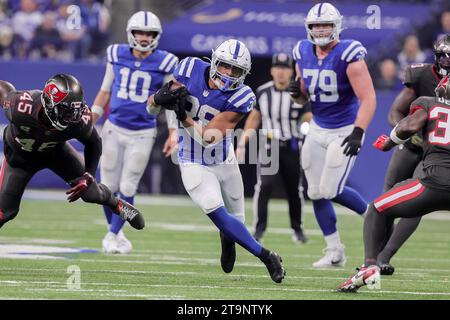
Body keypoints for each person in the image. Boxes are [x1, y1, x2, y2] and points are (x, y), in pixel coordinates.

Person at [147, 39, 286, 283]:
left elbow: (209, 137)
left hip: (223, 159)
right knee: (215, 209)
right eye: (224, 66)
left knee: (236, 223)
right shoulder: (189, 69)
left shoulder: (242, 96)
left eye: (236, 70)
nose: (229, 74)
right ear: (214, 62)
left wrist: (184, 118)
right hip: (192, 161)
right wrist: (158, 99)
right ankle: (267, 256)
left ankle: (228, 238)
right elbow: (151, 109)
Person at [338, 75, 450, 293]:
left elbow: (409, 126)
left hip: (433, 182)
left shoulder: (428, 102)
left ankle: (369, 266)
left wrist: (390, 142)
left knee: (377, 208)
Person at [289, 2, 376, 267]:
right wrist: (297, 94)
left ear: (336, 25)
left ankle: (377, 216)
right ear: (309, 27)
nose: (321, 29)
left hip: (344, 129)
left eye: (325, 24)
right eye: (316, 25)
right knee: (315, 192)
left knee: (331, 189)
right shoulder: (302, 51)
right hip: (317, 127)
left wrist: (358, 131)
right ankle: (334, 250)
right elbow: (303, 97)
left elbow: (368, 97)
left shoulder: (349, 53)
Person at [0, 75, 144, 231]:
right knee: (5, 212)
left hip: (55, 153)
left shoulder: (79, 121)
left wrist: (88, 175)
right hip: (20, 159)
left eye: (75, 110)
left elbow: (94, 143)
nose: (72, 117)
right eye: (65, 111)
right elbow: (4, 90)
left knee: (91, 193)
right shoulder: (22, 107)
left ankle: (118, 205)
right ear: (49, 104)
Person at [91, 11, 179, 254]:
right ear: (131, 33)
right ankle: (116, 233)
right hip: (113, 127)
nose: (143, 37)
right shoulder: (116, 54)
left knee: (128, 185)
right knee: (107, 186)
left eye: (148, 33)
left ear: (156, 36)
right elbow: (105, 90)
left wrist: (173, 132)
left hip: (142, 131)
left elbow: (171, 100)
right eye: (139, 32)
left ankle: (111, 234)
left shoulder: (166, 62)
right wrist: (91, 118)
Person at [375, 35, 449, 275]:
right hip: (413, 144)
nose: (447, 60)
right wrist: (404, 134)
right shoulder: (421, 75)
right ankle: (375, 256)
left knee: (416, 202)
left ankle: (384, 256)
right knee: (387, 198)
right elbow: (396, 110)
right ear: (435, 56)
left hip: (438, 153)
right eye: (443, 55)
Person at [236, 53, 312, 244]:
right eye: (277, 68)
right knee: (265, 185)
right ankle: (258, 230)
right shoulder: (263, 92)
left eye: (285, 68)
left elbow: (308, 119)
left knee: (294, 190)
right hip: (269, 145)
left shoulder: (299, 93)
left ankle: (297, 229)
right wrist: (242, 144)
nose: (281, 72)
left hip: (293, 146)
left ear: (291, 71)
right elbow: (253, 121)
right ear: (271, 70)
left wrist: (307, 132)